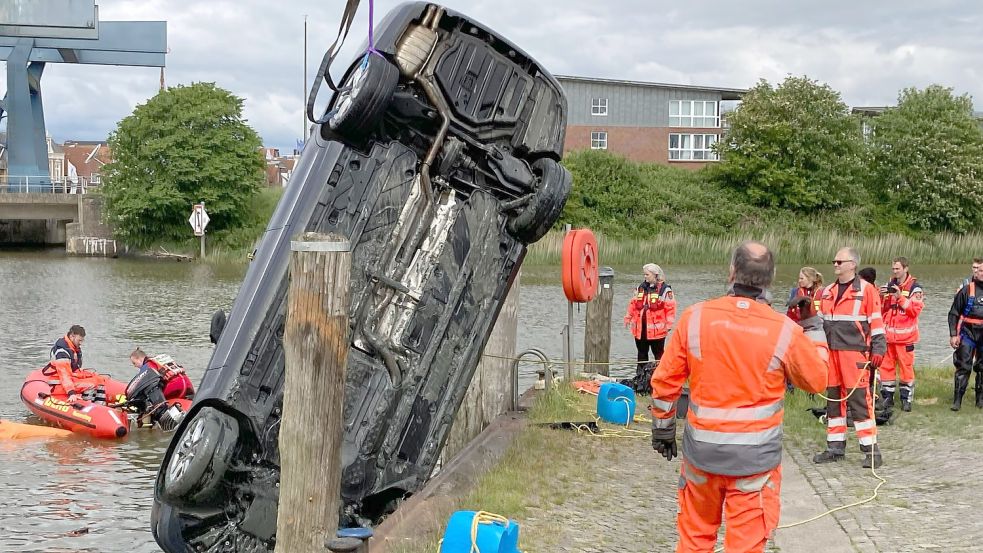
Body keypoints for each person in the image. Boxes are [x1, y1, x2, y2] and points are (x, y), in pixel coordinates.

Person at [649, 242, 828, 553]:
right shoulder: (784, 330)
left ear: (732, 272)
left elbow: (665, 382)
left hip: (702, 457)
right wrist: (812, 325)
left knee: (694, 541)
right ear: (770, 280)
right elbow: (817, 380)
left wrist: (663, 430)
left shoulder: (695, 318)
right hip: (754, 465)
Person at [814, 247, 885, 468]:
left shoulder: (866, 290)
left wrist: (878, 349)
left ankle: (872, 452)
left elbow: (876, 322)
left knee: (860, 402)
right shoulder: (827, 291)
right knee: (834, 402)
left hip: (855, 353)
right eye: (834, 261)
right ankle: (835, 448)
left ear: (852, 264)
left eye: (839, 261)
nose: (835, 265)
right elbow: (819, 324)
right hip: (831, 353)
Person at [877, 257, 924, 412]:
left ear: (905, 268)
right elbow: (882, 311)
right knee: (886, 369)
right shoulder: (890, 285)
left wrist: (900, 297)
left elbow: (915, 311)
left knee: (906, 369)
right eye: (893, 269)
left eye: (898, 268)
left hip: (906, 339)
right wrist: (880, 296)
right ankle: (887, 398)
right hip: (888, 338)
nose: (895, 271)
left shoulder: (915, 289)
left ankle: (906, 399)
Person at [622, 263, 676, 392]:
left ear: (655, 275)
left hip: (657, 332)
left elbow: (670, 308)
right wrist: (628, 317)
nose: (645, 277)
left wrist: (669, 325)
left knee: (659, 355)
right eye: (644, 274)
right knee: (641, 355)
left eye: (647, 274)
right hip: (640, 330)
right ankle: (640, 382)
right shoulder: (640, 288)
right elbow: (633, 304)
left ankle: (662, 380)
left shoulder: (665, 290)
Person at [948, 258, 983, 410]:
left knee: (982, 367)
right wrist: (953, 334)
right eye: (979, 270)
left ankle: (980, 400)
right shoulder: (967, 290)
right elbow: (953, 313)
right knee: (964, 366)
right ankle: (957, 401)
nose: (980, 273)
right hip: (967, 333)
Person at [129, 348, 195, 400]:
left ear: (139, 359)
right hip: (187, 385)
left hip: (174, 387)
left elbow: (142, 384)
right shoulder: (158, 361)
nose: (135, 366)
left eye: (134, 363)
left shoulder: (147, 366)